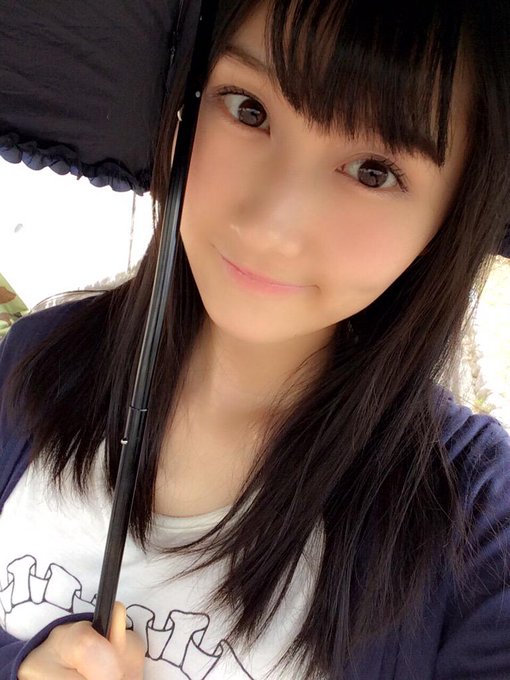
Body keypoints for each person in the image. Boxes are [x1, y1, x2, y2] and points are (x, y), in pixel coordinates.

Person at [0, 0, 509, 678]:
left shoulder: (479, 531)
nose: (271, 225)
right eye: (248, 109)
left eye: (374, 171)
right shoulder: (34, 364)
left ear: (452, 216)